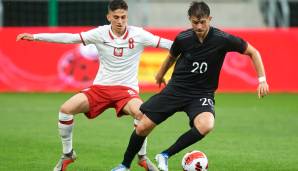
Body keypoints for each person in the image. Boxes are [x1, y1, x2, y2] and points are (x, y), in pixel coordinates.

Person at [112, 1, 269, 171]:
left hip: (202, 93)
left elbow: (253, 52)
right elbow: (172, 56)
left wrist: (262, 80)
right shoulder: (183, 38)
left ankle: (164, 155)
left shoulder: (223, 39)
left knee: (207, 124)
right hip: (177, 89)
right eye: (195, 22)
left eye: (203, 22)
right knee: (143, 126)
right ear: (190, 20)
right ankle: (124, 165)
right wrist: (160, 74)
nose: (199, 26)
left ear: (210, 19)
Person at [16, 0, 172, 171]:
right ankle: (68, 154)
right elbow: (70, 38)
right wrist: (36, 36)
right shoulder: (100, 33)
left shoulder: (139, 34)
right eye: (116, 17)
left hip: (126, 92)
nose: (120, 21)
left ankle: (142, 157)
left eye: (123, 17)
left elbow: (170, 45)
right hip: (101, 88)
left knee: (143, 115)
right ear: (108, 17)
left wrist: (196, 47)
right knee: (66, 110)